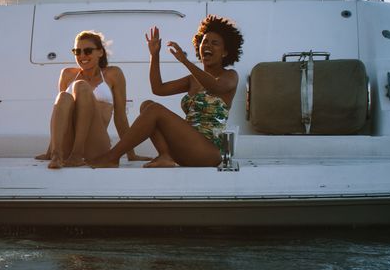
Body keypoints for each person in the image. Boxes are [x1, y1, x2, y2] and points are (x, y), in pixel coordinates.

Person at [92, 15, 243, 168]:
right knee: (147, 105)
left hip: (209, 153)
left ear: (225, 52)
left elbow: (215, 87)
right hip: (186, 149)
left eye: (215, 43)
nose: (207, 46)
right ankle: (165, 155)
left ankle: (112, 156)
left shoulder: (230, 76)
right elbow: (158, 89)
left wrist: (185, 61)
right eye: (204, 42)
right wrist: (154, 55)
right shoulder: (192, 79)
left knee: (155, 110)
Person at [38, 29, 128, 169]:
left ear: (100, 52)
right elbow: (60, 114)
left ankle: (77, 154)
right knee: (63, 97)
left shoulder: (113, 74)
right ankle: (56, 154)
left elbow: (120, 116)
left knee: (81, 86)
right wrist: (49, 150)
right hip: (68, 144)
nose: (82, 56)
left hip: (96, 145)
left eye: (87, 51)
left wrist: (130, 152)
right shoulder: (67, 74)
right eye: (77, 51)